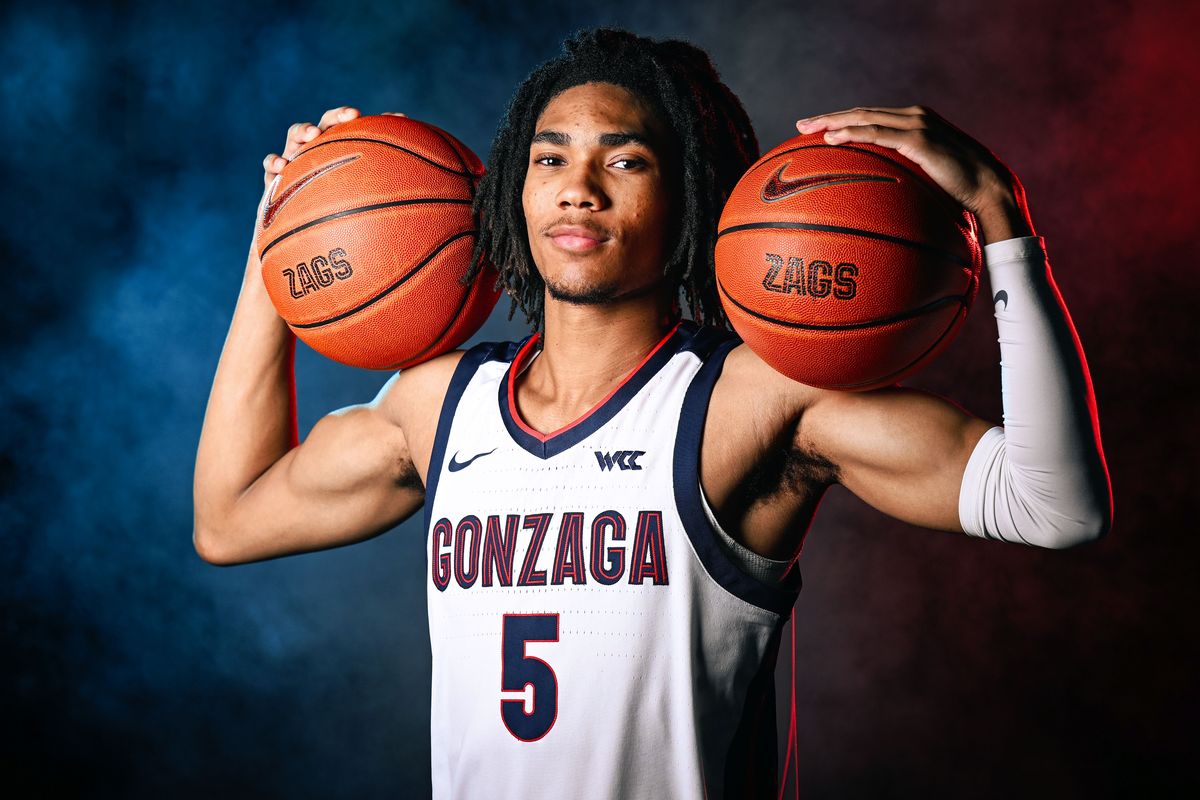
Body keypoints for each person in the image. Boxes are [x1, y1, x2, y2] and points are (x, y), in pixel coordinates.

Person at [193, 28, 1111, 800]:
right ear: (515, 187)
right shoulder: (440, 406)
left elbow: (1053, 504)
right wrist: (282, 236)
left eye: (624, 159)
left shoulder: (752, 401)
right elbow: (230, 520)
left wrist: (1001, 221)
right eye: (550, 156)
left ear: (690, 197)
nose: (578, 186)